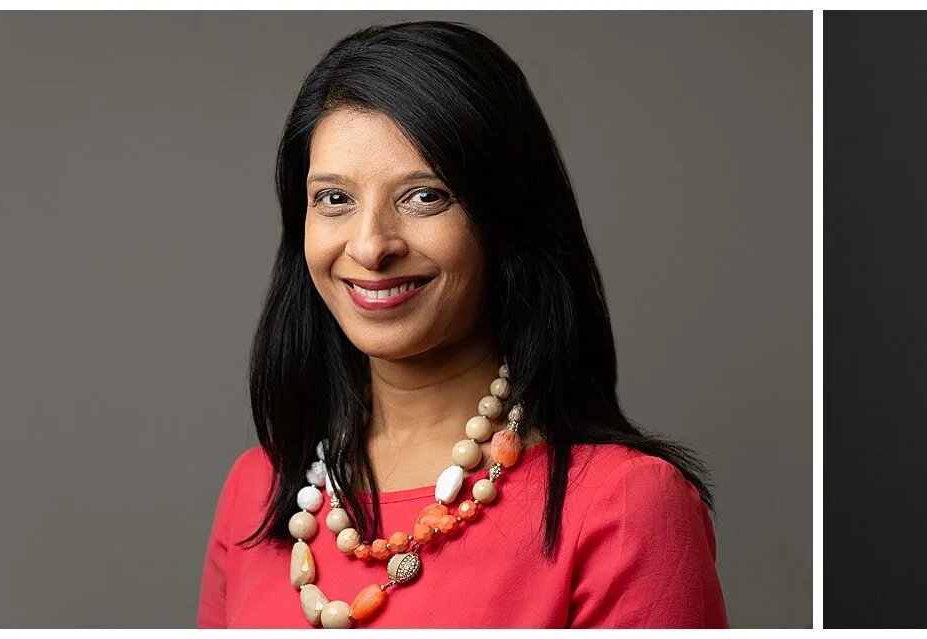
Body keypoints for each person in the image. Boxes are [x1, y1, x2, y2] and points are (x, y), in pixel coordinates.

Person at [196, 21, 727, 628]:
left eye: (425, 196)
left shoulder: (624, 507)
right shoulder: (256, 491)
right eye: (335, 199)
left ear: (506, 220)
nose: (370, 246)